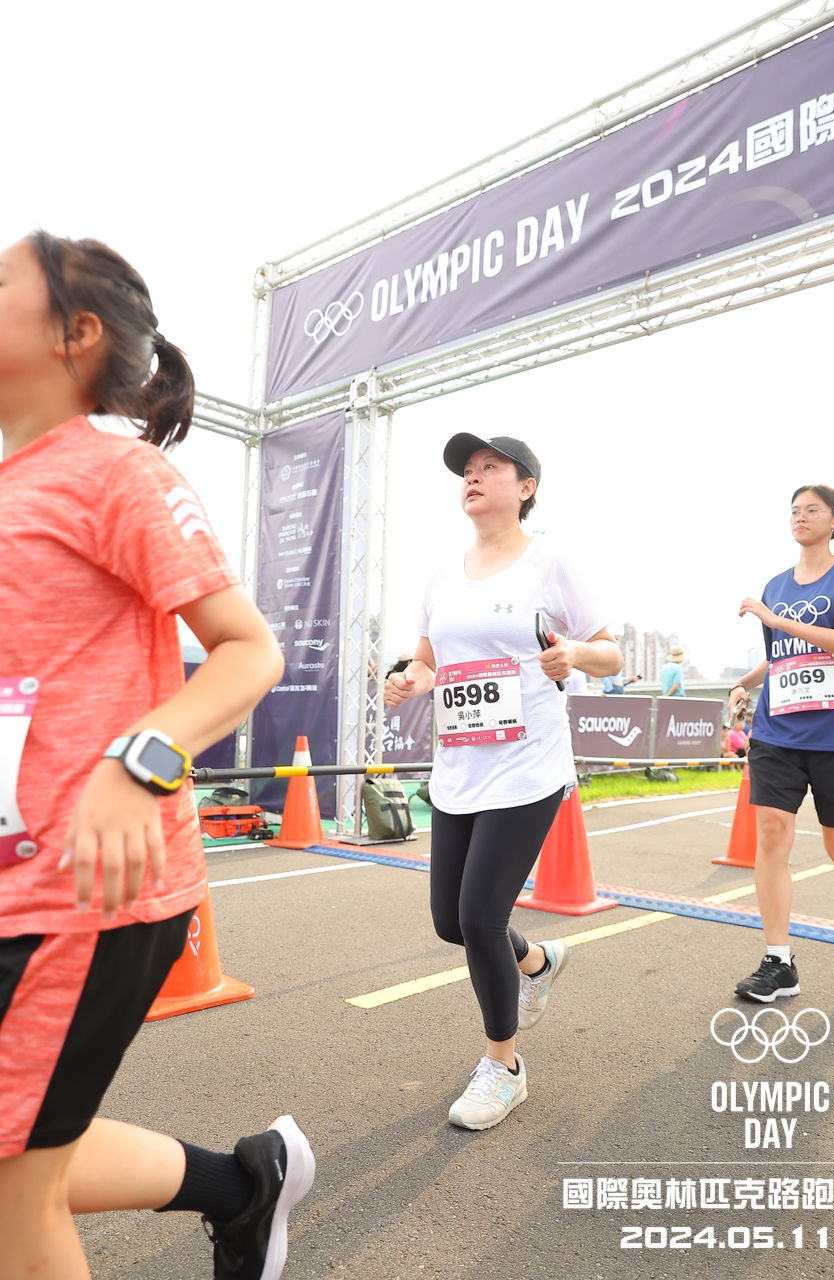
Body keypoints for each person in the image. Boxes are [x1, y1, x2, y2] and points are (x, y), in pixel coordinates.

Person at [0, 233, 314, 1279]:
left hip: (78, 892)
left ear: (75, 332)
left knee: (14, 1191)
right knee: (22, 1155)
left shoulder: (117, 473)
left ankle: (244, 1190)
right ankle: (243, 1187)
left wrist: (139, 760)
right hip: (13, 882)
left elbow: (247, 647)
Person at [384, 432, 622, 1130]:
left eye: (490, 466)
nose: (473, 476)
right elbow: (428, 661)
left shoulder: (550, 562)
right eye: (467, 468)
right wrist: (408, 680)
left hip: (527, 765)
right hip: (460, 765)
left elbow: (607, 653)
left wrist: (572, 653)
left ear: (525, 488)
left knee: (480, 916)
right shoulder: (441, 574)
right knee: (449, 921)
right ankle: (537, 961)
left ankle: (503, 1068)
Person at [728, 484, 834, 1003]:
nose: (800, 517)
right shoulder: (776, 584)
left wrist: (779, 619)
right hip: (777, 731)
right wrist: (745, 682)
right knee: (772, 835)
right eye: (795, 511)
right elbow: (782, 651)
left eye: (812, 510)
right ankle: (779, 961)